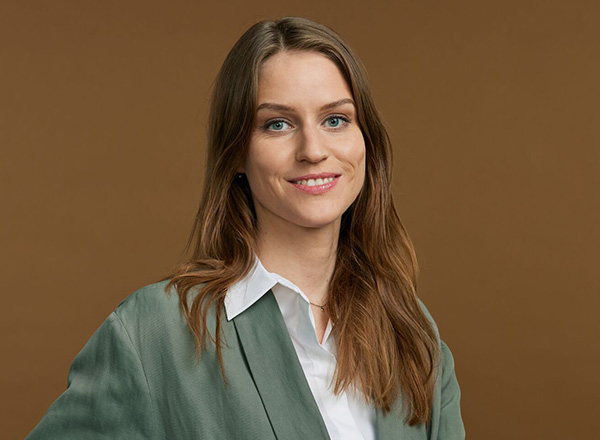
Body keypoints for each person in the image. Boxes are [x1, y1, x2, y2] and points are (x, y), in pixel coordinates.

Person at [27, 16, 465, 440]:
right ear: (237, 151)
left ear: (365, 140)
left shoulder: (413, 336)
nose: (313, 150)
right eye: (278, 124)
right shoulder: (152, 334)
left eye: (335, 119)